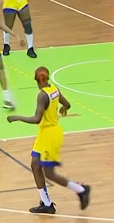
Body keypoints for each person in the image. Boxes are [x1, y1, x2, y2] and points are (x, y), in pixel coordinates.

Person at [7, 67, 91, 214]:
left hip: (50, 135)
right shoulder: (54, 89)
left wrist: (17, 117)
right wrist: (63, 109)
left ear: (37, 80)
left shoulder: (42, 96)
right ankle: (47, 204)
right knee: (34, 165)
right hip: (45, 133)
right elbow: (67, 104)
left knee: (49, 173)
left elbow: (36, 119)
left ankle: (82, 190)